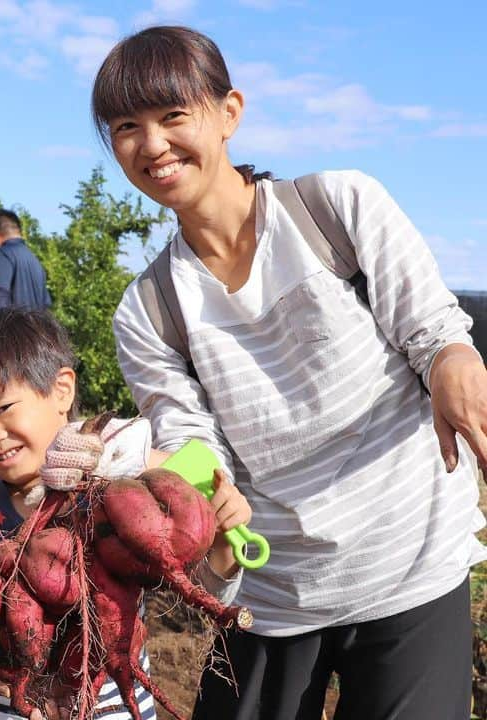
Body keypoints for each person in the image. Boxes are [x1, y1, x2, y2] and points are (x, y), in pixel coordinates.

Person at [94, 26, 487, 720]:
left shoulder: (337, 209)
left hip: (409, 564)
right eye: (127, 127)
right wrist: (201, 487)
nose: (152, 145)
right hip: (274, 592)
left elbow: (433, 330)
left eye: (172, 116)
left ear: (228, 113)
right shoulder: (149, 309)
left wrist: (455, 363)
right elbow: (191, 436)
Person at [0, 307, 250, 720]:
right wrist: (24, 680)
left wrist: (220, 532)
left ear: (62, 390)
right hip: (3, 706)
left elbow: (210, 591)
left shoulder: (115, 491)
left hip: (113, 703)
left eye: (4, 408)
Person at [0, 209, 52, 310]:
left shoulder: (3, 254)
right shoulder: (35, 260)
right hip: (37, 325)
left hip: (13, 325)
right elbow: (45, 305)